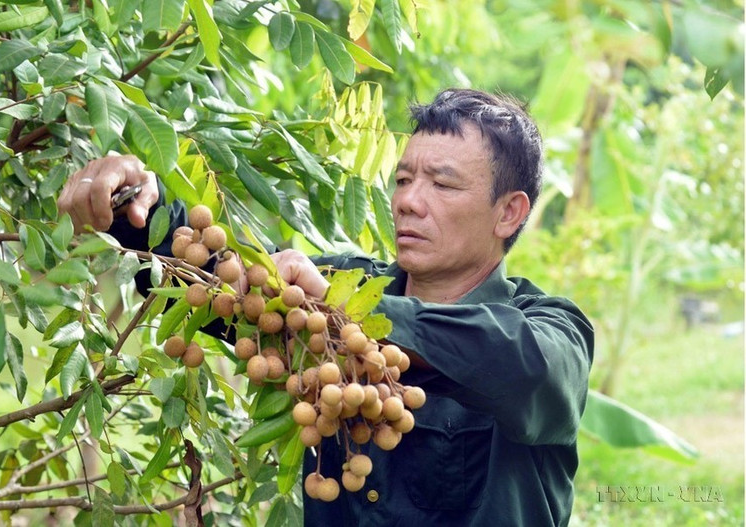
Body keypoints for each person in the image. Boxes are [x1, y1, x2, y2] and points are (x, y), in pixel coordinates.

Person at [58, 88, 594, 526]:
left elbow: (524, 368)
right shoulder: (342, 285)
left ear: (508, 213)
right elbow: (225, 274)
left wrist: (350, 317)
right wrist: (134, 203)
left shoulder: (554, 331)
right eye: (404, 180)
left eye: (442, 184)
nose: (408, 201)